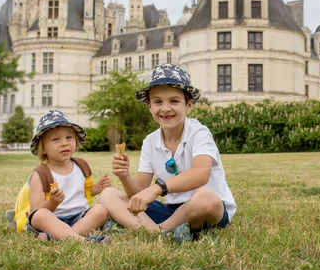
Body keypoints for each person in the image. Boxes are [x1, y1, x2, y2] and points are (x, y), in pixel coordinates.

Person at [98, 64, 236, 242]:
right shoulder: (150, 141)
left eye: (174, 101)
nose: (165, 108)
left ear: (188, 105)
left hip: (207, 209)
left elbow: (201, 174)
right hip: (172, 211)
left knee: (207, 198)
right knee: (107, 194)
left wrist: (157, 188)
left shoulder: (199, 132)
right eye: (157, 102)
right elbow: (139, 192)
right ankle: (162, 232)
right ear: (149, 106)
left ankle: (153, 230)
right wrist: (124, 176)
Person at [26, 109, 112, 243]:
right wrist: (52, 202)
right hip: (53, 219)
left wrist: (98, 187)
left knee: (101, 210)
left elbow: (84, 191)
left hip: (80, 217)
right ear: (42, 148)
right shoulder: (40, 174)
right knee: (40, 216)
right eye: (56, 139)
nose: (64, 143)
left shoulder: (81, 166)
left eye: (69, 137)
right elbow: (35, 210)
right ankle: (82, 241)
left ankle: (59, 238)